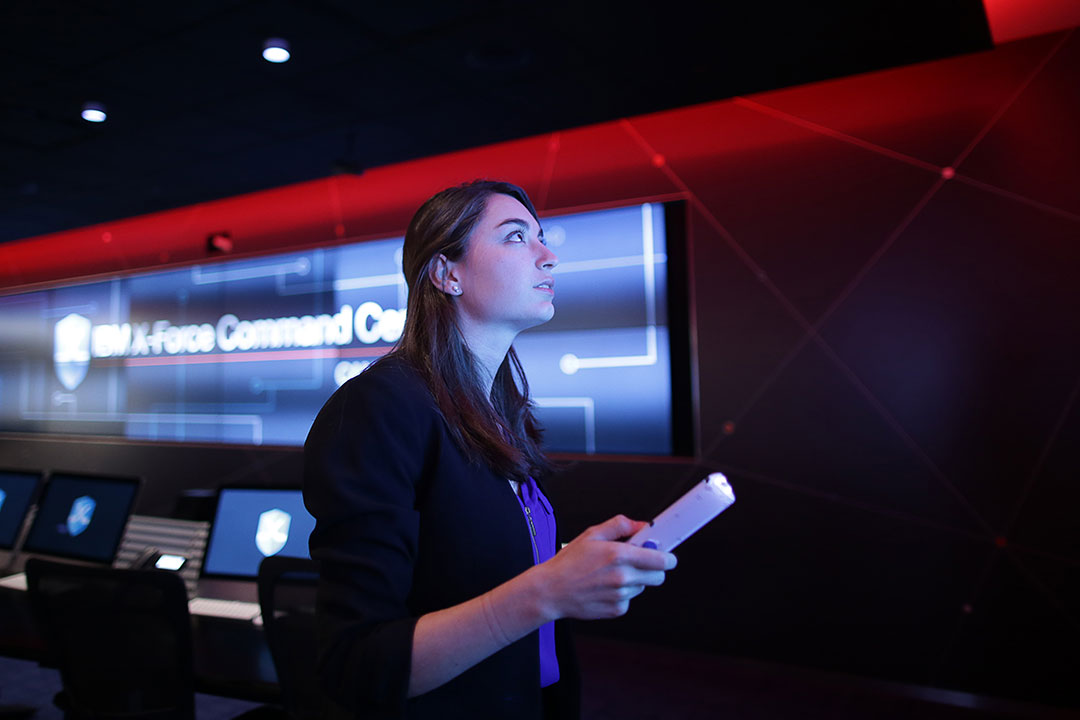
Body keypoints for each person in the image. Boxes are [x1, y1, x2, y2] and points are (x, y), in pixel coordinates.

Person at [303, 180, 677, 719]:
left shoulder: (495, 410)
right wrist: (545, 590)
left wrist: (567, 564)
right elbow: (358, 664)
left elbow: (467, 570)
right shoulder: (376, 408)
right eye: (517, 237)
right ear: (447, 273)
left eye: (542, 238)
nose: (548, 256)